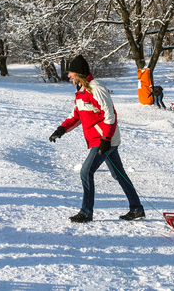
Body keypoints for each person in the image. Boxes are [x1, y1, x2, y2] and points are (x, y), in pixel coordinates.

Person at [48, 54, 144, 223]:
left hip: (104, 139)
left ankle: (86, 212)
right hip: (99, 140)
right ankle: (136, 209)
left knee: (86, 171)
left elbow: (110, 115)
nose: (69, 75)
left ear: (79, 73)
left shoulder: (95, 89)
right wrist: (61, 129)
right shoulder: (81, 93)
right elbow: (76, 116)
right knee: (119, 174)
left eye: (71, 72)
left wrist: (106, 140)